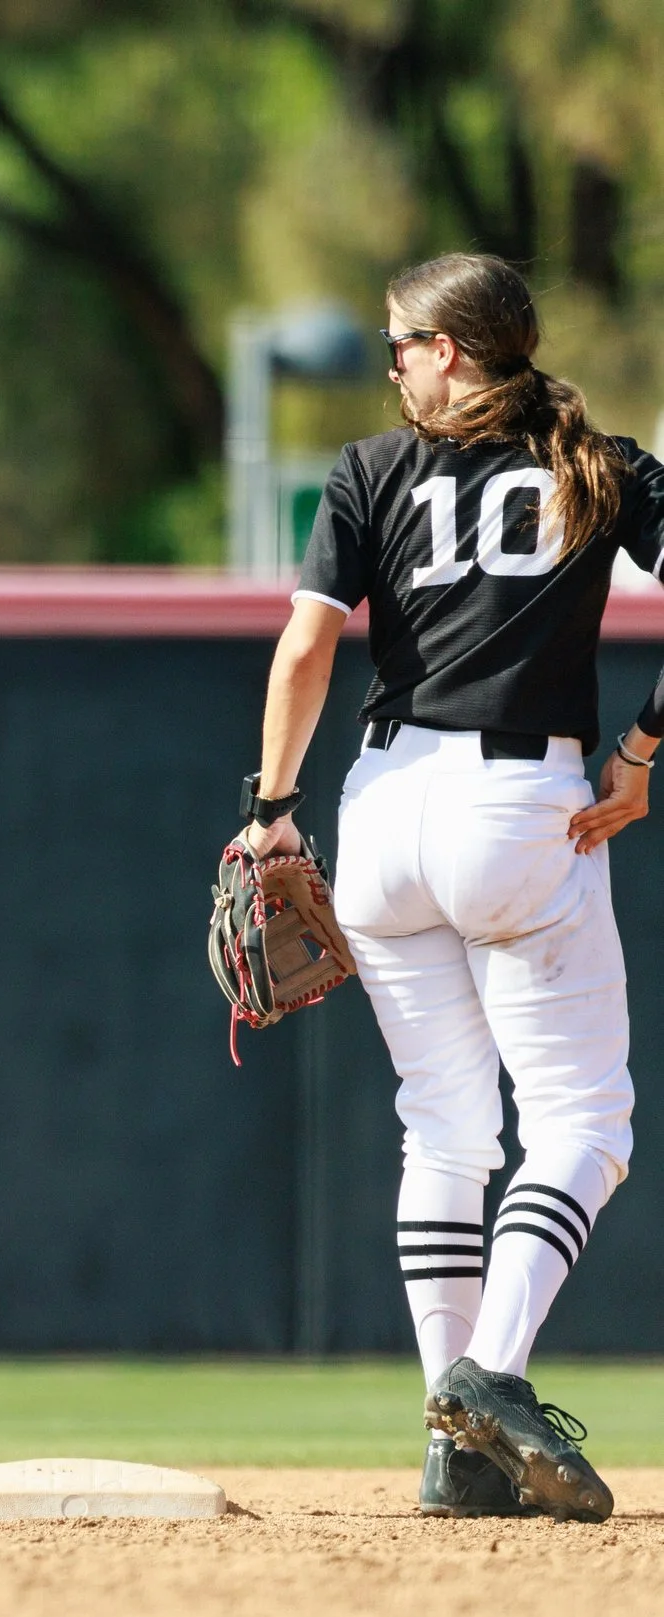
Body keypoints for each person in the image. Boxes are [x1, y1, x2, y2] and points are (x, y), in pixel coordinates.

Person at [241, 252, 664, 1524]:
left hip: (379, 811)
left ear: (458, 351)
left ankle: (455, 1441)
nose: (391, 366)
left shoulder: (372, 470)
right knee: (587, 1119)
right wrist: (640, 755)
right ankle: (489, 1375)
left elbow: (308, 644)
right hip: (517, 805)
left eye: (403, 345)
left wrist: (270, 812)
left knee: (443, 1126)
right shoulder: (608, 465)